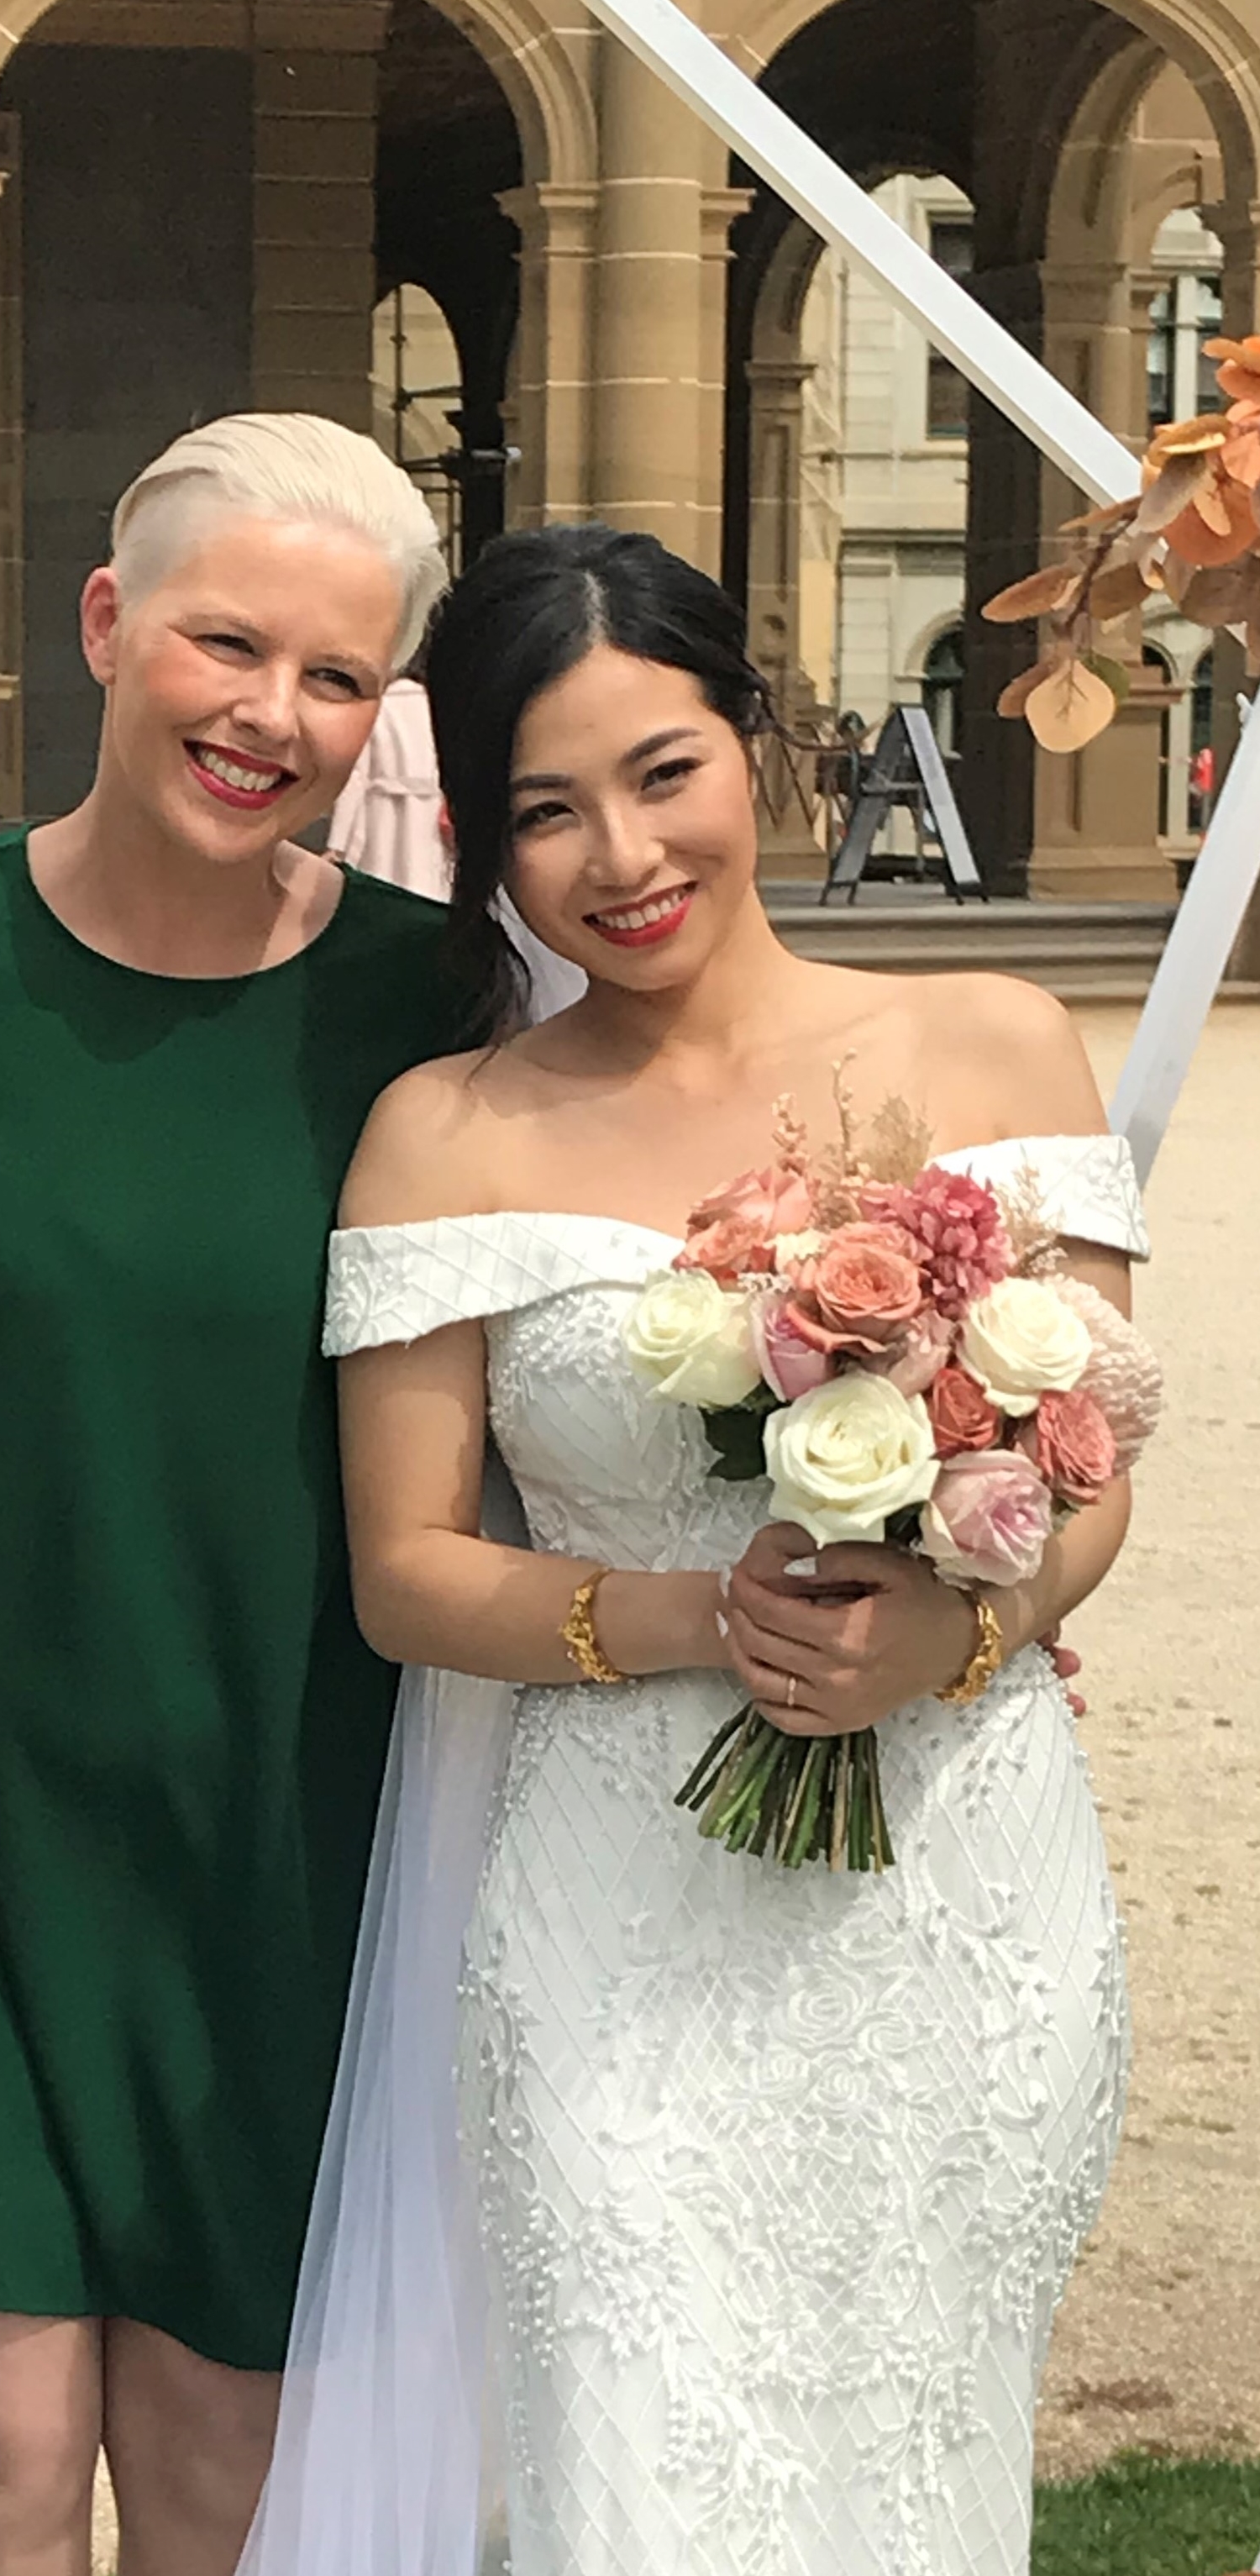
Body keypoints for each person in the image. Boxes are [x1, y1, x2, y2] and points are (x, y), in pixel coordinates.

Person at [242, 524, 1145, 2576]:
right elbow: (405, 1571)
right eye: (547, 810)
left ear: (757, 741)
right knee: (632, 2478)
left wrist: (962, 1627)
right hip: (611, 1921)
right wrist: (693, 1615)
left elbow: (1092, 1468)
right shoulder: (441, 1134)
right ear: (481, 841)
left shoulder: (997, 1043)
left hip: (961, 1887)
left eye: (664, 772)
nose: (622, 856)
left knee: (919, 2473)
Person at [0, 414, 462, 2576]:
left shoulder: (432, 1002)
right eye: (227, 643)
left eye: (338, 677)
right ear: (107, 623)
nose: (273, 714)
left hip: (293, 1845)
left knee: (220, 2489)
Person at [325, 670, 588, 1020]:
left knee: (385, 884)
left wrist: (340, 845)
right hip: (430, 810)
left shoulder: (381, 709)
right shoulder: (441, 711)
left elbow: (356, 782)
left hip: (385, 812)